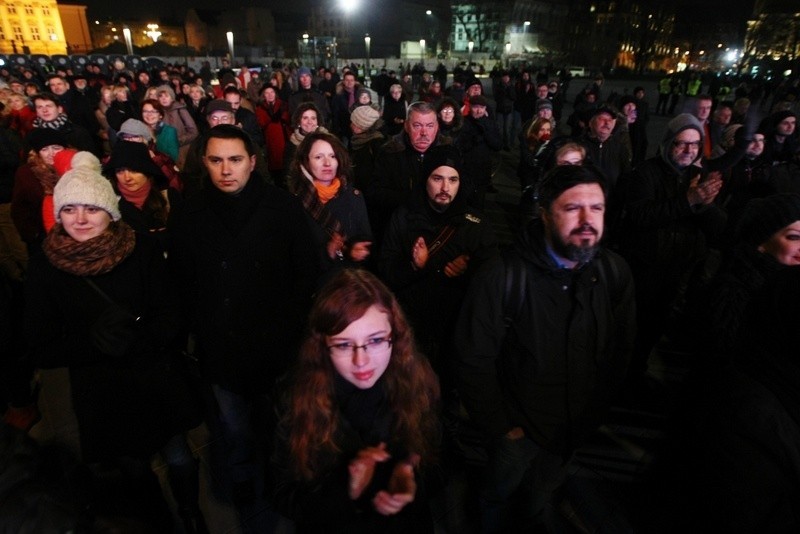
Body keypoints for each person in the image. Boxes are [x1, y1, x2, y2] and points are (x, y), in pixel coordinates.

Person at [24, 161, 205, 531]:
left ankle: (190, 511)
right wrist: (92, 343)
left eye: (91, 208)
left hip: (155, 374)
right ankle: (160, 521)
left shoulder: (140, 249)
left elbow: (172, 310)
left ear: (109, 210)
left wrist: (143, 338)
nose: (81, 219)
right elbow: (40, 345)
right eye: (70, 209)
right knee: (132, 469)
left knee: (179, 455)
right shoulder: (46, 267)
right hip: (102, 391)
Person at [454, 164, 635, 533]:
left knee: (541, 496)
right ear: (544, 214)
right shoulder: (503, 276)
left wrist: (593, 413)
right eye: (572, 209)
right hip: (517, 432)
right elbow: (472, 359)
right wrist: (503, 429)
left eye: (596, 208)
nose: (587, 220)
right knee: (497, 496)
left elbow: (621, 352)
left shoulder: (614, 274)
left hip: (572, 431)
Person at [172, 125, 319, 531]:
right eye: (216, 160)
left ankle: (282, 486)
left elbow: (307, 273)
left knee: (284, 426)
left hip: (278, 348)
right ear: (203, 162)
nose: (225, 170)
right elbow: (182, 282)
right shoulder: (190, 213)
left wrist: (291, 327)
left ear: (252, 162)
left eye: (235, 160)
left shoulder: (282, 208)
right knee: (235, 430)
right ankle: (242, 487)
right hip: (223, 351)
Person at [272, 268, 440, 533]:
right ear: (323, 345)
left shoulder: (419, 379)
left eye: (374, 340)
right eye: (343, 345)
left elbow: (439, 458)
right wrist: (344, 492)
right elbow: (282, 494)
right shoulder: (294, 398)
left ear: (395, 335)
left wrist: (411, 477)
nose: (361, 361)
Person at [379, 144, 497, 378]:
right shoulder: (404, 216)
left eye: (453, 180)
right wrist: (414, 267)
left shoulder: (476, 225)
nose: (445, 188)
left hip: (453, 330)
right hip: (410, 326)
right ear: (425, 179)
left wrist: (469, 269)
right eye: (437, 178)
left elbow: (493, 280)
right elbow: (385, 271)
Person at [288, 130, 372, 276]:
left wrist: (357, 249)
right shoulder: (295, 203)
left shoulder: (354, 197)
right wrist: (327, 253)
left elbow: (366, 238)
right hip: (318, 286)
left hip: (351, 280)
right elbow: (293, 258)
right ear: (305, 162)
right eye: (318, 157)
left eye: (332, 156)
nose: (327, 163)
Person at [104, 140, 180, 257]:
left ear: (147, 170)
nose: (127, 178)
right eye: (119, 171)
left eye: (134, 170)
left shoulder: (169, 197)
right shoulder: (109, 204)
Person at [255, 85, 291, 185]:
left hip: (284, 138)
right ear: (264, 96)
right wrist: (271, 117)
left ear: (275, 94)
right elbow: (261, 123)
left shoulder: (283, 105)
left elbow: (288, 119)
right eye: (267, 93)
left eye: (272, 92)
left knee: (286, 161)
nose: (270, 95)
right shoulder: (261, 108)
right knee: (275, 166)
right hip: (270, 140)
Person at [156, 85, 198, 169]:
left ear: (172, 97)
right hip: (164, 154)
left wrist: (178, 140)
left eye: (166, 96)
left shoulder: (180, 109)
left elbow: (194, 131)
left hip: (182, 151)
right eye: (161, 96)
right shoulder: (157, 112)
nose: (164, 98)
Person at [348, 105, 386, 193]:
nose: (350, 125)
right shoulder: (356, 140)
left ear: (361, 126)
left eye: (354, 123)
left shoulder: (377, 145)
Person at [140, 98, 180, 163]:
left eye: (153, 111)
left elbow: (174, 157)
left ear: (160, 115)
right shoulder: (138, 131)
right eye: (145, 111)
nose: (149, 114)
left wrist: (155, 157)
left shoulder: (169, 131)